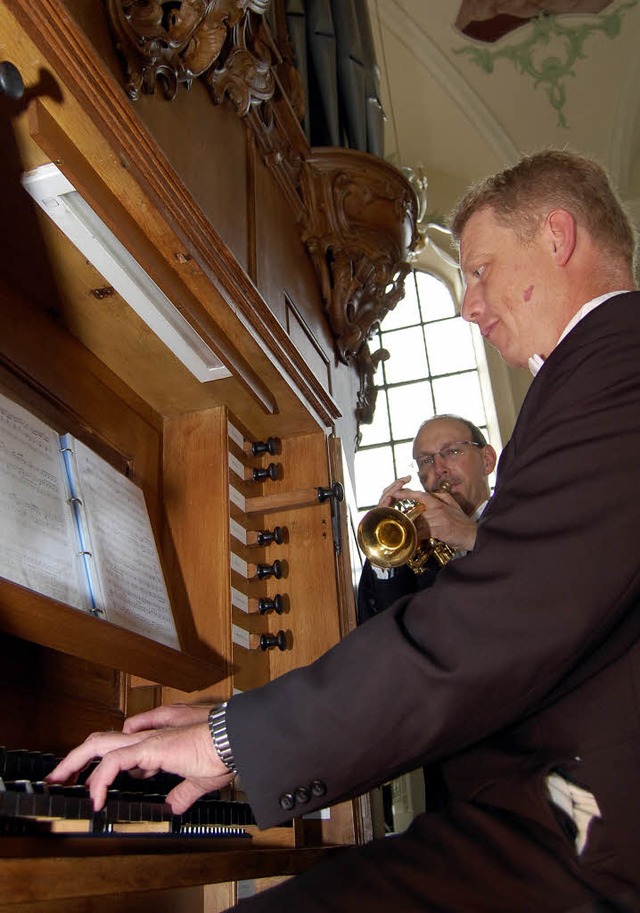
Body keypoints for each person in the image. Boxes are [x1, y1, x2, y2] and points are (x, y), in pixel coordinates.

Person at [47, 149, 640, 912]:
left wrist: (234, 738)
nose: (468, 302)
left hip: (578, 842)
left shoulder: (615, 363)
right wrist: (247, 729)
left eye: (482, 269)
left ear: (556, 237)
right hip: (547, 815)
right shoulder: (596, 373)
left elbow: (493, 627)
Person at [356, 413, 497, 625]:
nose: (439, 469)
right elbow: (377, 627)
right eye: (426, 460)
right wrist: (386, 558)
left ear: (487, 460)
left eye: (452, 451)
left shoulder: (525, 516)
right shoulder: (414, 546)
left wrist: (472, 536)